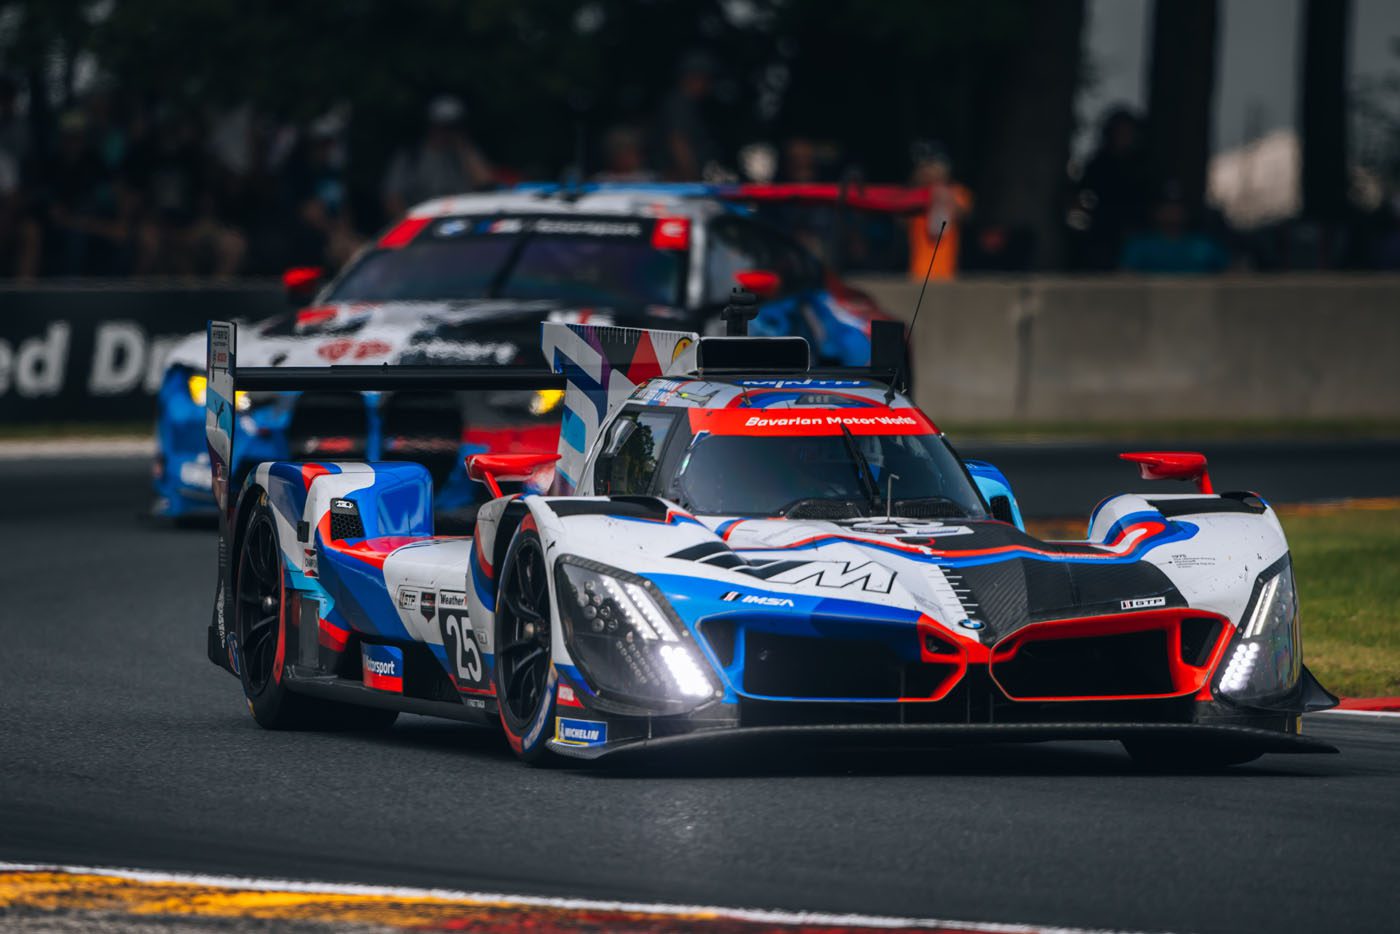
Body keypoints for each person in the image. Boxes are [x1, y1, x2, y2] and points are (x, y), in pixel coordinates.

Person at [381, 95, 494, 220]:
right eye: (442, 126)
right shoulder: (410, 156)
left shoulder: (467, 154)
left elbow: (485, 183)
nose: (446, 132)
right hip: (425, 223)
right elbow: (392, 198)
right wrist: (409, 223)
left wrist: (464, 147)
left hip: (464, 221)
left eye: (453, 127)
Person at [1069, 107, 1151, 270]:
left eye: (1128, 132)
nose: (1124, 137)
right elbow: (1083, 196)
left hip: (1136, 228)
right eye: (1120, 132)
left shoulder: (1143, 165)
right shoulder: (1098, 164)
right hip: (1103, 230)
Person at [1120, 181, 1229, 274]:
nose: (1172, 212)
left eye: (1177, 207)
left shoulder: (1205, 245)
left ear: (1187, 211)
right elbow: (1125, 277)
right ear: (1156, 211)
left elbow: (1229, 274)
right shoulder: (1140, 245)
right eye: (1167, 206)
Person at [906, 146, 972, 281]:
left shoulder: (956, 193)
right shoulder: (914, 195)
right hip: (917, 272)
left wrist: (942, 196)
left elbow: (964, 213)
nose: (928, 172)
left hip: (947, 272)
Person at [655, 52, 720, 181]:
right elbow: (677, 141)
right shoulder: (679, 104)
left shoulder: (687, 103)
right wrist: (691, 175)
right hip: (675, 178)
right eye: (705, 79)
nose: (708, 85)